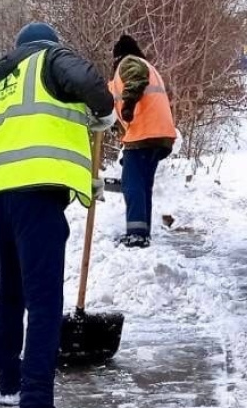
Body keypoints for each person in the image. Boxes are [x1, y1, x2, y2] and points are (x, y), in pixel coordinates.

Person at [0, 22, 116, 408]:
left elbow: (36, 127)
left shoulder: (4, 80)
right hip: (34, 196)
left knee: (10, 293)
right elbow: (88, 80)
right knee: (43, 301)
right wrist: (105, 113)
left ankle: (11, 385)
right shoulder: (50, 57)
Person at [108, 35, 176, 249]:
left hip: (144, 133)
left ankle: (137, 235)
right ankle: (142, 232)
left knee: (132, 184)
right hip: (159, 133)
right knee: (143, 184)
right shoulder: (148, 65)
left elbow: (136, 80)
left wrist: (128, 105)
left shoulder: (130, 62)